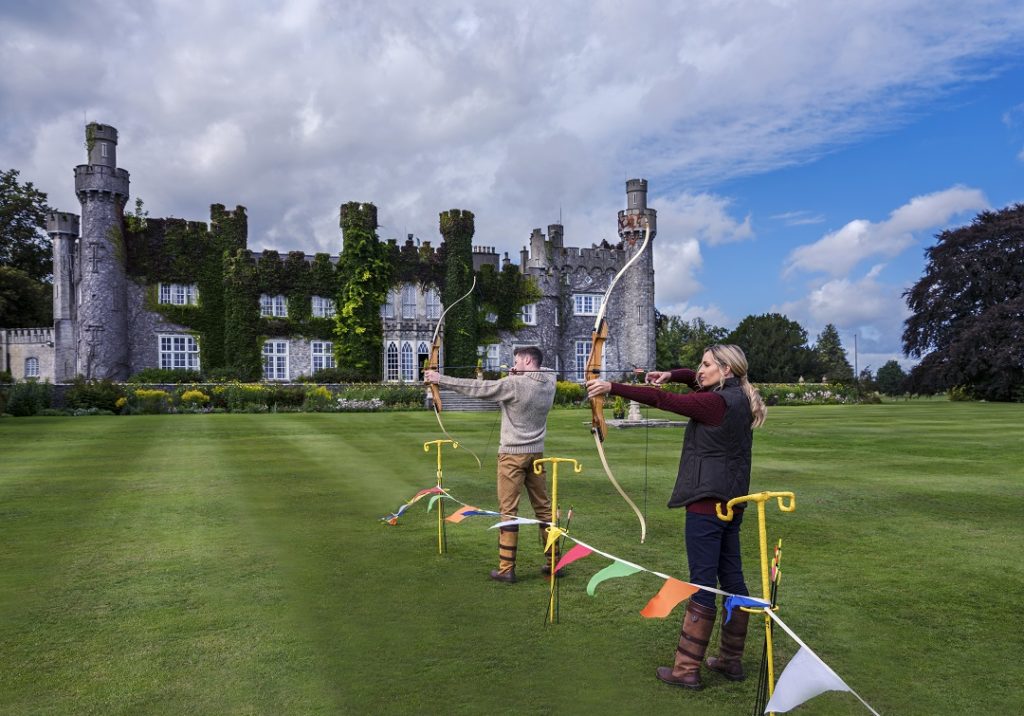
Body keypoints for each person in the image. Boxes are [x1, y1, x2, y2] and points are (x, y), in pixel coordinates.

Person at [586, 344, 767, 690]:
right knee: (732, 578)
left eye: (706, 365)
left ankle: (686, 670)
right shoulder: (738, 396)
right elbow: (688, 384)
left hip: (705, 503)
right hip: (732, 501)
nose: (699, 370)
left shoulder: (715, 403)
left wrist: (613, 387)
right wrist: (672, 374)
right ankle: (731, 661)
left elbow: (667, 401)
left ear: (725, 370)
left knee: (701, 581)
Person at [424, 345, 557, 584]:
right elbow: (543, 368)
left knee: (509, 511)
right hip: (537, 454)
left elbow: (478, 388)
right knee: (544, 509)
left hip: (512, 456)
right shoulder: (550, 380)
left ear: (527, 360)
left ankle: (506, 569)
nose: (512, 366)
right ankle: (554, 562)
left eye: (516, 361)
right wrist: (522, 371)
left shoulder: (514, 384)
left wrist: (439, 378)